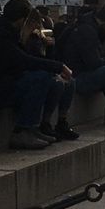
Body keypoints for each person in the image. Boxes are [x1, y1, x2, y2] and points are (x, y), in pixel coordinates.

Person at [0, 0, 73, 150]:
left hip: (0, 84)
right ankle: (22, 130)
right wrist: (58, 66)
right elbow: (23, 60)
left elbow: (24, 61)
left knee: (50, 81)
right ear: (21, 19)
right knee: (40, 78)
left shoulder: (6, 30)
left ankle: (34, 127)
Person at [61, 3, 105, 124]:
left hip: (78, 72)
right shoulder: (88, 32)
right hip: (78, 77)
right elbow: (93, 63)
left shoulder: (89, 27)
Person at [22, 10, 78, 140]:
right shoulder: (25, 39)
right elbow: (33, 61)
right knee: (56, 84)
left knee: (70, 82)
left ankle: (62, 120)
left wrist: (50, 47)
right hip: (34, 73)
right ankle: (45, 122)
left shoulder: (39, 38)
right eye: (34, 22)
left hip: (45, 70)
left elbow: (50, 59)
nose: (37, 25)